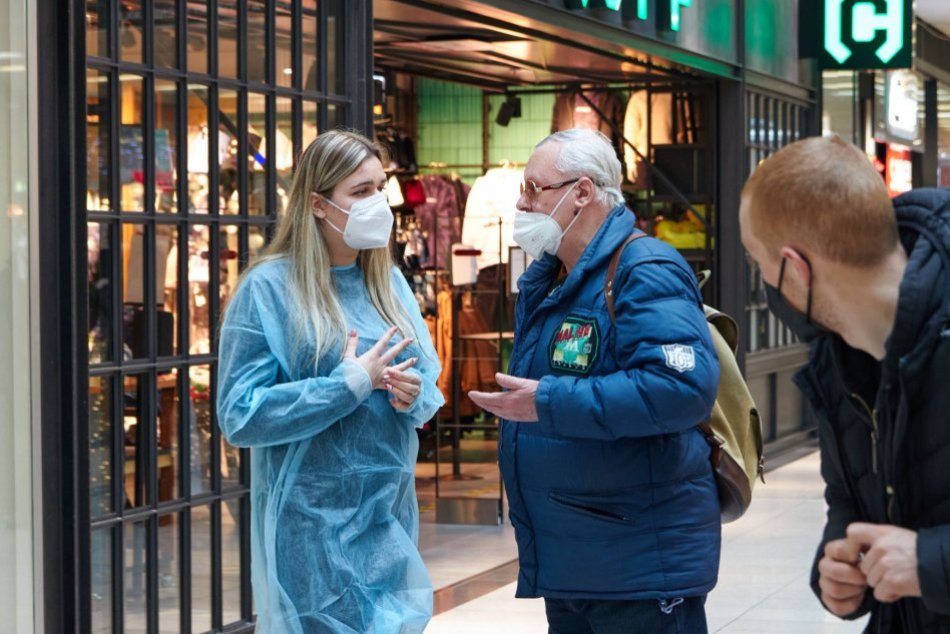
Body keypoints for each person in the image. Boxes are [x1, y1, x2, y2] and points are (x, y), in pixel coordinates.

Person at [468, 128, 722, 633]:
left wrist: (549, 403)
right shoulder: (555, 279)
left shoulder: (644, 268)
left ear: (581, 193)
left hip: (636, 562)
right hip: (580, 557)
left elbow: (682, 389)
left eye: (533, 188)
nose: (522, 203)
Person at [216, 130, 444, 633]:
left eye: (380, 188)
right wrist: (346, 386)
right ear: (318, 204)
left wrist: (410, 394)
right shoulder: (269, 290)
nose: (378, 203)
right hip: (311, 530)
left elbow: (428, 385)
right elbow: (240, 414)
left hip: (385, 519)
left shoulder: (388, 284)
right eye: (360, 192)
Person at [739, 134, 950, 632]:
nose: (764, 279)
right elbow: (849, 501)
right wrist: (837, 569)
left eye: (758, 261)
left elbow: (919, 559)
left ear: (795, 267)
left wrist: (929, 562)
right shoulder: (837, 364)